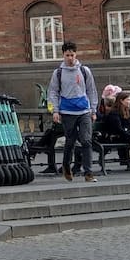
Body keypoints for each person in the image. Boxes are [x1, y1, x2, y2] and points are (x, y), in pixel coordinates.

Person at [47, 40, 99, 183]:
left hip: (84, 110)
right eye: (67, 55)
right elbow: (53, 92)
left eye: (72, 55)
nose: (70, 58)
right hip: (67, 111)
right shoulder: (58, 73)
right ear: (63, 55)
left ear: (76, 55)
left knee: (86, 140)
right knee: (70, 141)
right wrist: (55, 110)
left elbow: (91, 90)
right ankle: (66, 166)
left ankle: (88, 172)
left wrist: (93, 110)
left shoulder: (84, 71)